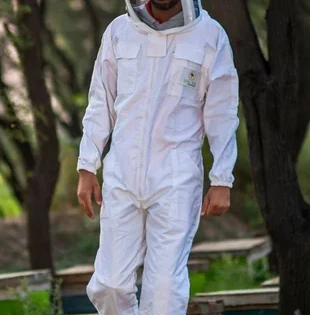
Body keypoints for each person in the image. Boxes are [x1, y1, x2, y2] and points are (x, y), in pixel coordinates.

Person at [77, 0, 239, 314]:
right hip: (122, 172)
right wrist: (87, 165)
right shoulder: (119, 32)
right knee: (109, 285)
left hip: (176, 177)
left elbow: (222, 112)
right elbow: (101, 100)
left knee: (164, 291)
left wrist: (222, 178)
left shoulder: (209, 36)